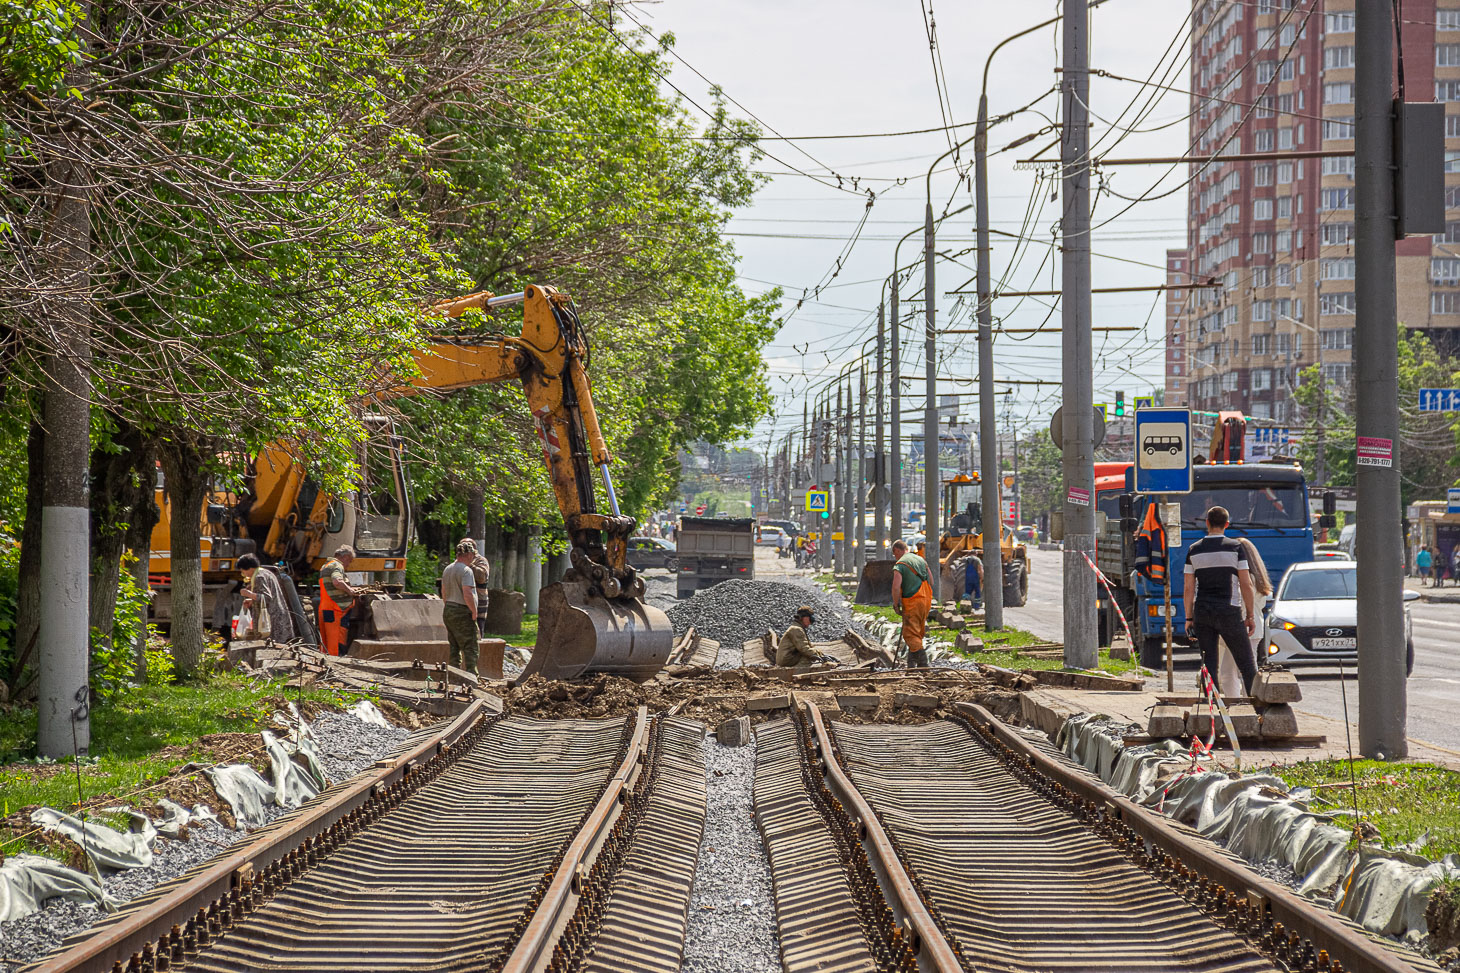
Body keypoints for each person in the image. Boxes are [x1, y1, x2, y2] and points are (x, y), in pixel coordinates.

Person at [1182, 506, 1259, 695]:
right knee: (1247, 664)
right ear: (1227, 524)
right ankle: (1258, 707)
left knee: (1209, 665)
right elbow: (1246, 584)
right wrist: (1250, 616)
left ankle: (1213, 707)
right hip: (1229, 611)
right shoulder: (1235, 548)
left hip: (1203, 612)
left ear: (1207, 523)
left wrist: (1189, 618)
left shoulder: (1194, 550)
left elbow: (1188, 587)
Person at [1217, 538, 1272, 698]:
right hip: (1255, 629)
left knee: (1229, 672)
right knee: (1246, 669)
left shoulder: (1242, 578)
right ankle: (1251, 702)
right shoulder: (1259, 579)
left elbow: (1237, 602)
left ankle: (1238, 704)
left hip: (1240, 627)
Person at [891, 539, 935, 668]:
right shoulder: (921, 560)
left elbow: (896, 587)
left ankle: (923, 664)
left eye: (894, 554)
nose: (895, 557)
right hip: (926, 600)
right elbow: (931, 581)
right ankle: (911, 665)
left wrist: (896, 604)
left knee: (910, 634)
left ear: (897, 550)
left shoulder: (900, 564)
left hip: (912, 602)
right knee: (917, 632)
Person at [440, 538, 480, 674]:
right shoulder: (466, 571)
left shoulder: (447, 569)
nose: (473, 558)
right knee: (470, 646)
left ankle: (454, 674)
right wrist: (474, 612)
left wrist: (448, 606)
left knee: (454, 646)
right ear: (469, 554)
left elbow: (443, 591)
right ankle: (472, 676)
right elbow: (467, 593)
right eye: (473, 555)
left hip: (448, 610)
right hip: (462, 611)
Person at [237, 554, 296, 643]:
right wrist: (252, 600)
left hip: (270, 621)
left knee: (271, 646)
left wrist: (249, 594)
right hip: (279, 616)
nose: (243, 574)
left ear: (249, 568)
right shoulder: (267, 573)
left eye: (243, 571)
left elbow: (267, 598)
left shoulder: (259, 577)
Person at [317, 545, 357, 656]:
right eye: (349, 561)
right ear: (345, 557)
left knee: (326, 640)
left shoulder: (325, 566)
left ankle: (327, 661)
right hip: (337, 610)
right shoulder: (337, 565)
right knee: (338, 639)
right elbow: (337, 582)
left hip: (326, 607)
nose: (348, 565)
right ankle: (337, 661)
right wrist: (350, 591)